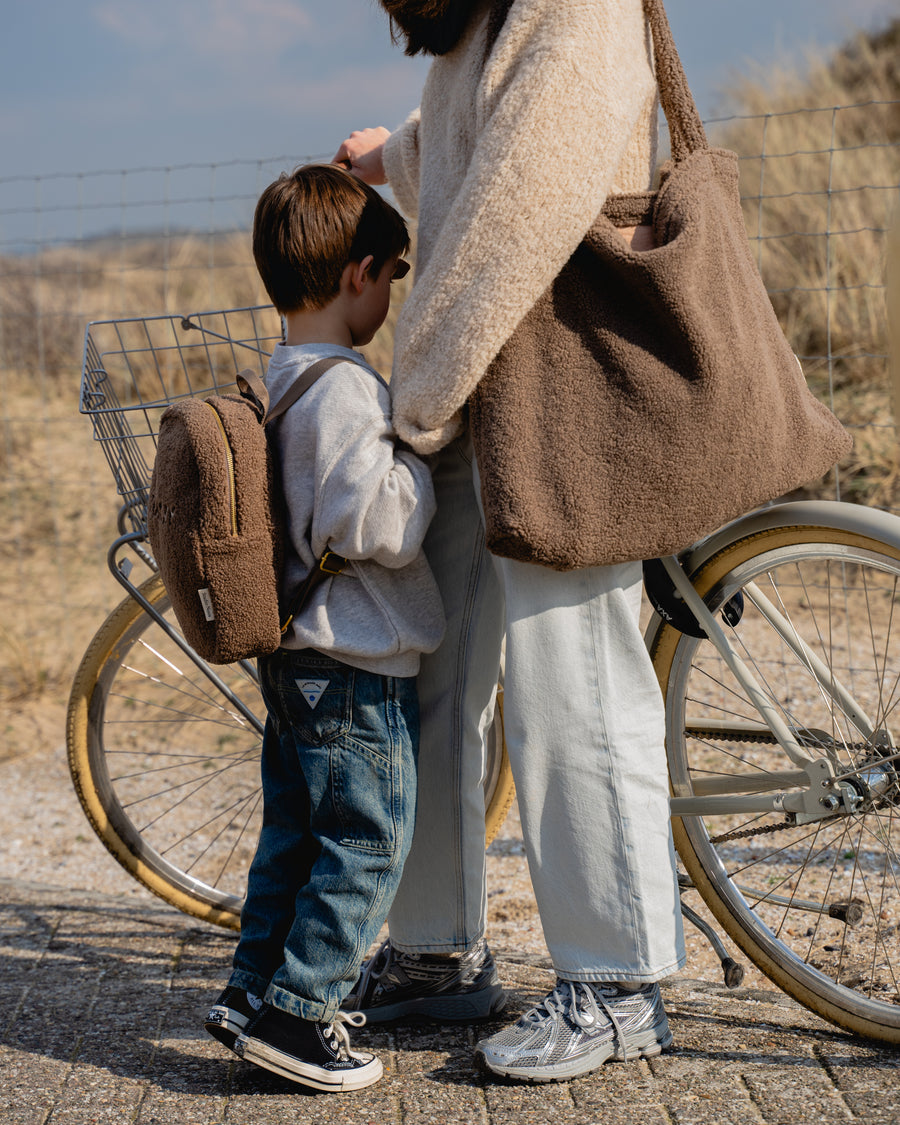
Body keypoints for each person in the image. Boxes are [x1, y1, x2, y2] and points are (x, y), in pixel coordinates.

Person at [335, 0, 686, 1084]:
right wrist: (390, 155)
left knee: (570, 681)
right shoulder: (492, 11)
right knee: (434, 671)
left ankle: (620, 983)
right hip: (477, 382)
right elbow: (478, 125)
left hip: (549, 389)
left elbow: (523, 199)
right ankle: (436, 951)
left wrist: (419, 394)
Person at [202, 163, 445, 1092]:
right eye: (392, 276)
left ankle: (251, 990)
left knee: (296, 835)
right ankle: (302, 1018)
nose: (390, 295)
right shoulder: (344, 387)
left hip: (299, 659)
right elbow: (370, 523)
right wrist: (422, 463)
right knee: (367, 840)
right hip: (354, 660)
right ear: (359, 274)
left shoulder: (286, 370)